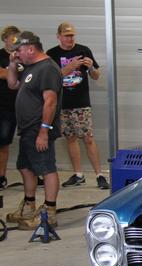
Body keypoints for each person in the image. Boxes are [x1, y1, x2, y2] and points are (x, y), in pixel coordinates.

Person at [5, 31, 62, 229]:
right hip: (27, 129)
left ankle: (49, 212)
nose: (17, 54)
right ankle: (29, 204)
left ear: (31, 48)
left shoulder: (47, 68)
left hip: (39, 128)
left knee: (46, 168)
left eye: (19, 50)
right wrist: (13, 64)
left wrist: (44, 131)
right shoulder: (31, 67)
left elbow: (51, 102)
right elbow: (13, 84)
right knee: (25, 166)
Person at [46, 22, 108, 189]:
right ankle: (78, 174)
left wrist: (90, 68)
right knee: (70, 138)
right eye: (66, 35)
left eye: (72, 35)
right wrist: (69, 67)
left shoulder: (83, 49)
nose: (70, 38)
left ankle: (99, 175)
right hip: (62, 103)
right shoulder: (51, 54)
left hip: (81, 102)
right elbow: (50, 78)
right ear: (58, 36)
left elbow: (96, 76)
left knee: (88, 138)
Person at [0, 25, 21, 190]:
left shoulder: (23, 55)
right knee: (3, 142)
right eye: (12, 37)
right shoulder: (1, 55)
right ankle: (2, 176)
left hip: (24, 105)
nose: (15, 40)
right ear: (5, 38)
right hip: (4, 105)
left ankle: (34, 175)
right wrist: (14, 72)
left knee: (30, 141)